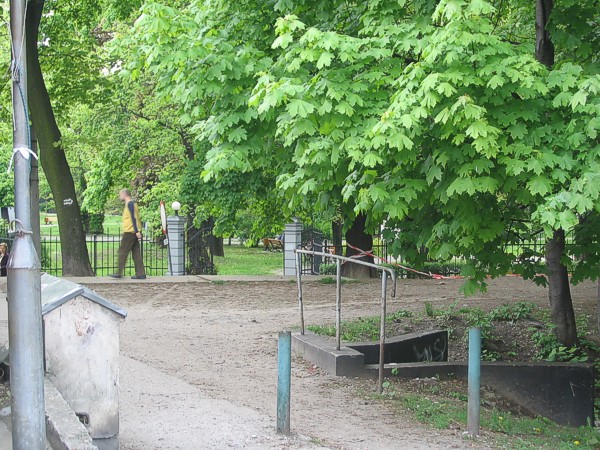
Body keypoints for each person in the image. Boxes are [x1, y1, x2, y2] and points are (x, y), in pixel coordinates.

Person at [109, 189, 146, 280]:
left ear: (124, 195)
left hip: (130, 232)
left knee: (122, 252)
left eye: (120, 195)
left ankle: (119, 273)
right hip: (134, 231)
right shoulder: (132, 204)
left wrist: (137, 231)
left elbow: (133, 218)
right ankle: (141, 273)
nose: (119, 197)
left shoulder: (130, 204)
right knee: (136, 253)